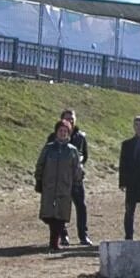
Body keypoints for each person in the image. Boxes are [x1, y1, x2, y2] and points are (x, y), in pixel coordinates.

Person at [34, 118, 84, 250]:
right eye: (60, 131)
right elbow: (40, 164)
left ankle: (54, 243)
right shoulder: (49, 148)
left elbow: (77, 169)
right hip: (49, 186)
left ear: (69, 133)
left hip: (65, 187)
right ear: (56, 132)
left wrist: (76, 183)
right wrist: (39, 180)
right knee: (48, 214)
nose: (62, 133)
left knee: (61, 216)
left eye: (65, 131)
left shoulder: (72, 150)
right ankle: (54, 240)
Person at [58, 105, 95, 247]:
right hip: (61, 178)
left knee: (81, 207)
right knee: (61, 207)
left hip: (76, 178)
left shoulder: (80, 137)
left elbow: (85, 155)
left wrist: (80, 164)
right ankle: (63, 235)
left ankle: (83, 235)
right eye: (67, 119)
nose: (70, 121)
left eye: (72, 119)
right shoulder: (56, 134)